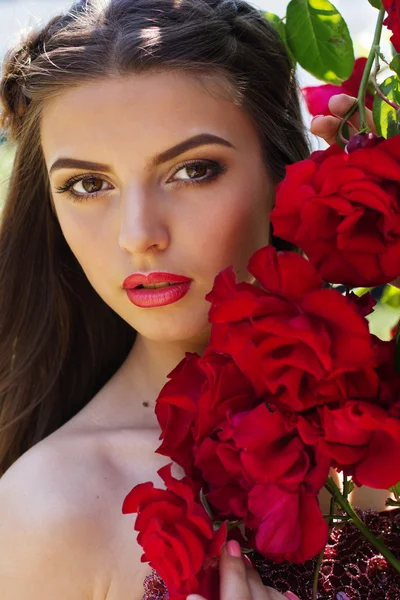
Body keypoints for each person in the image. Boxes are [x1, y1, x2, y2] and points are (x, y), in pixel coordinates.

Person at [0, 0, 398, 599]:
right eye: (87, 185)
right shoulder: (50, 511)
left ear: (281, 168)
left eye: (192, 171)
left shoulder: (380, 408)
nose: (138, 234)